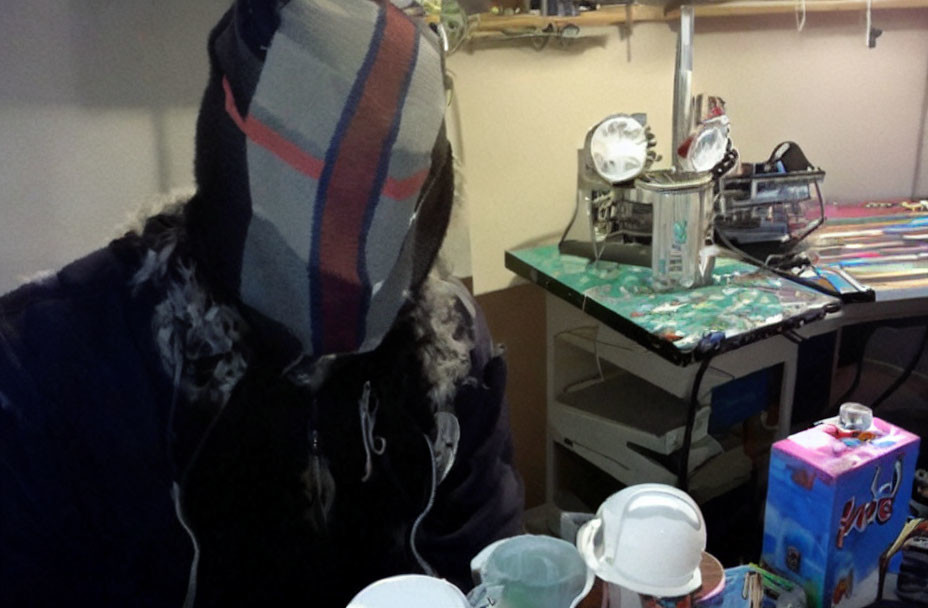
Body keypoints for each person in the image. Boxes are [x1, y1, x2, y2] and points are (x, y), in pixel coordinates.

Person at [0, 1, 524, 605]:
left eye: (392, 191)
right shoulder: (53, 374)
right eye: (307, 179)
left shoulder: (447, 356)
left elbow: (487, 565)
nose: (347, 258)